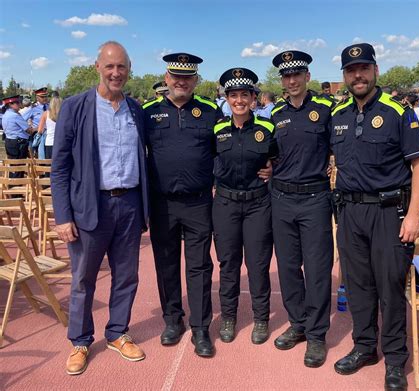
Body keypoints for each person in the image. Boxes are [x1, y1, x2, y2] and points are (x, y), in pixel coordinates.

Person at [330, 43, 419, 391]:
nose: (357, 75)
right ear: (344, 76)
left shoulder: (397, 112)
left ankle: (395, 358)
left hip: (390, 212)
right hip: (351, 212)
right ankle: (364, 347)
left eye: (363, 68)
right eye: (350, 70)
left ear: (375, 70)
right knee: (358, 287)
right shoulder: (338, 115)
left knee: (389, 287)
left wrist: (414, 214)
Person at [51, 41, 148, 376]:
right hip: (90, 207)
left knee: (127, 275)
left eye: (121, 67)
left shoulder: (135, 109)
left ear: (129, 68)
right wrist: (62, 216)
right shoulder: (76, 107)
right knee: (83, 279)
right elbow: (60, 166)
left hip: (130, 203)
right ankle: (80, 340)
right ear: (97, 67)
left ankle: (118, 332)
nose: (116, 73)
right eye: (110, 67)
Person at [143, 52, 222, 358]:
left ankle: (201, 327)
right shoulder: (148, 112)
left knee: (200, 266)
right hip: (162, 203)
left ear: (195, 80)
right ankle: (172, 319)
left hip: (198, 202)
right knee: (166, 264)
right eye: (176, 76)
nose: (181, 82)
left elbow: (225, 150)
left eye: (188, 77)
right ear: (166, 78)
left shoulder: (211, 111)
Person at [270, 50, 334, 368]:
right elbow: (267, 157)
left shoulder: (326, 110)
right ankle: (297, 324)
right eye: (286, 75)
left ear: (307, 77)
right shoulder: (275, 115)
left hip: (315, 200)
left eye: (297, 74)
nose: (291, 80)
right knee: (288, 268)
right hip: (281, 200)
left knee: (318, 270)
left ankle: (318, 334)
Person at [213, 68, 277, 345]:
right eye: (233, 95)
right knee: (228, 264)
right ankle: (228, 316)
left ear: (254, 98)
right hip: (225, 203)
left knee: (258, 264)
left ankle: (261, 317)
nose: (239, 100)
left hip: (257, 206)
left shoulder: (267, 129)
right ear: (227, 98)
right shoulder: (216, 129)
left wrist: (273, 168)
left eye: (244, 95)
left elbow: (281, 159)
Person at [1, 95, 33, 165]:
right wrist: (37, 128)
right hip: (18, 144)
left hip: (9, 142)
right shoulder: (15, 116)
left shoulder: (6, 114)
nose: (19, 104)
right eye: (17, 103)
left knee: (13, 166)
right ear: (10, 104)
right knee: (20, 166)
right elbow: (28, 130)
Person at [23, 87, 49, 158]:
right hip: (38, 136)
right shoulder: (33, 108)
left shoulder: (50, 107)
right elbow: (21, 120)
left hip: (49, 136)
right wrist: (30, 129)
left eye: (46, 96)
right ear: (37, 97)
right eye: (42, 97)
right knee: (39, 157)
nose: (45, 98)